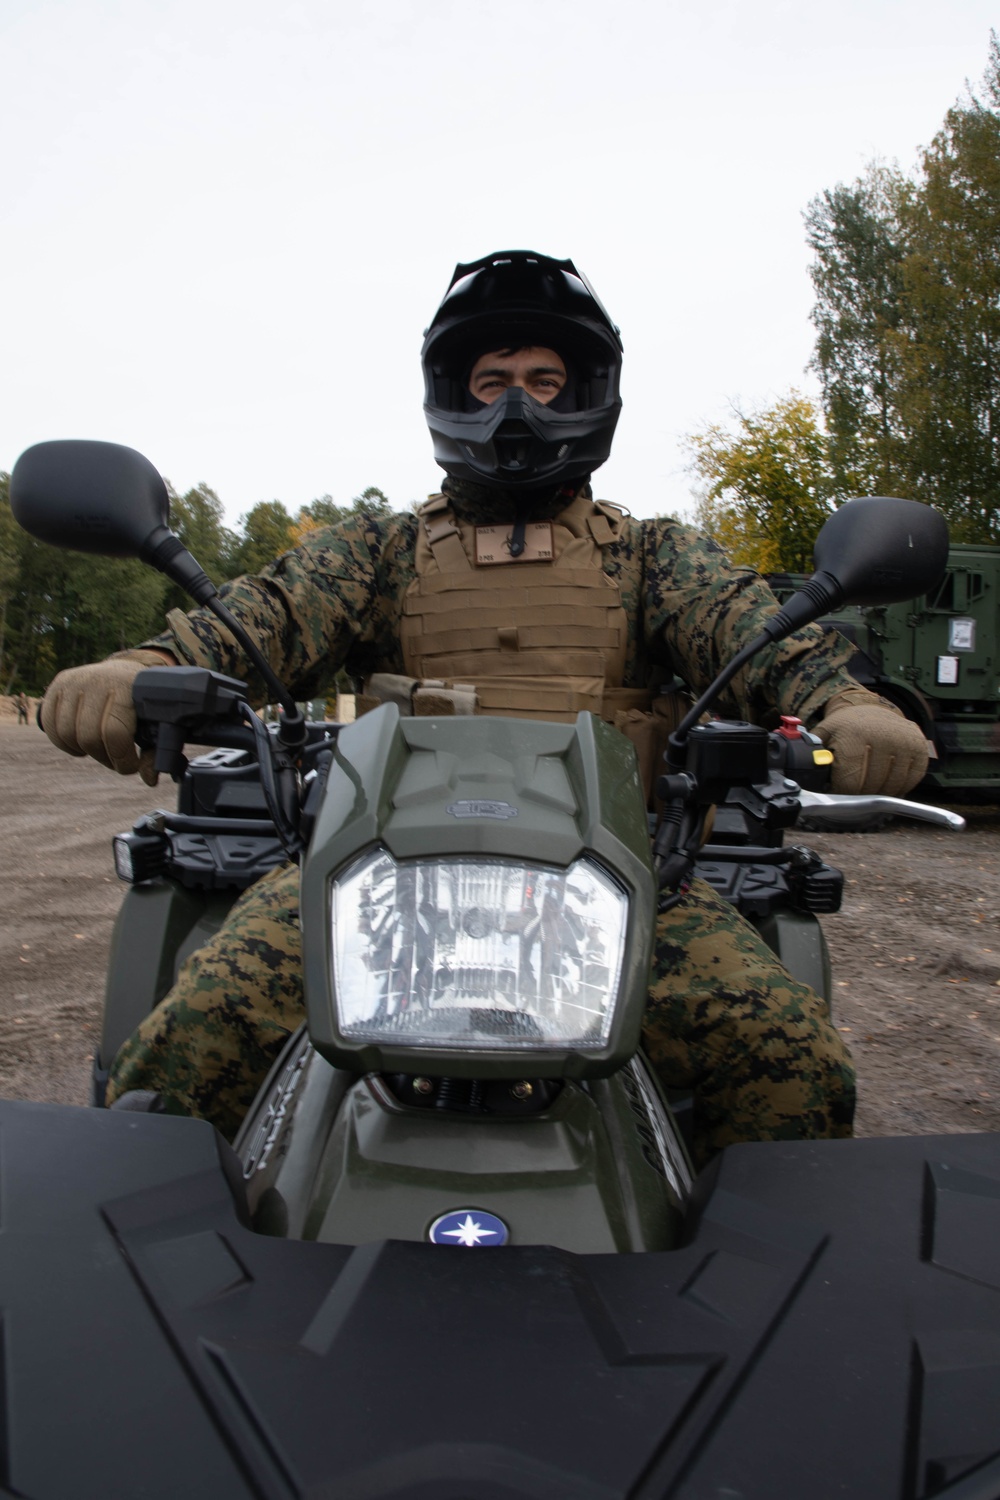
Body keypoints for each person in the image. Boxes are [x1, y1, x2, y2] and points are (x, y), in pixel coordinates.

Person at [39, 250, 929, 1164]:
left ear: (589, 393)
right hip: (375, 890)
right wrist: (141, 664)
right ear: (452, 396)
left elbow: (747, 627)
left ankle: (757, 1283)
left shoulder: (654, 556)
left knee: (790, 1062)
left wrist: (844, 703)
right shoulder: (381, 552)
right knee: (196, 1036)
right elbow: (263, 617)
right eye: (493, 380)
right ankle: (176, 1278)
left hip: (621, 888)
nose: (518, 407)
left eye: (545, 382)